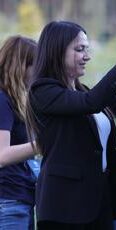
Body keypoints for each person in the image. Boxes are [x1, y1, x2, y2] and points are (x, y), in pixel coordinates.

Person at [25, 21, 116, 229]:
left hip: (98, 203)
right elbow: (93, 102)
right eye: (79, 49)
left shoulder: (83, 91)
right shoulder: (43, 91)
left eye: (87, 49)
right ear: (56, 52)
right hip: (64, 208)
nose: (87, 56)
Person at [0, 35, 38, 230]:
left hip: (19, 198)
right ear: (21, 66)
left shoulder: (14, 99)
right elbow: (2, 155)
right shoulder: (2, 100)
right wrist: (42, 144)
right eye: (35, 66)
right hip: (7, 201)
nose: (38, 73)